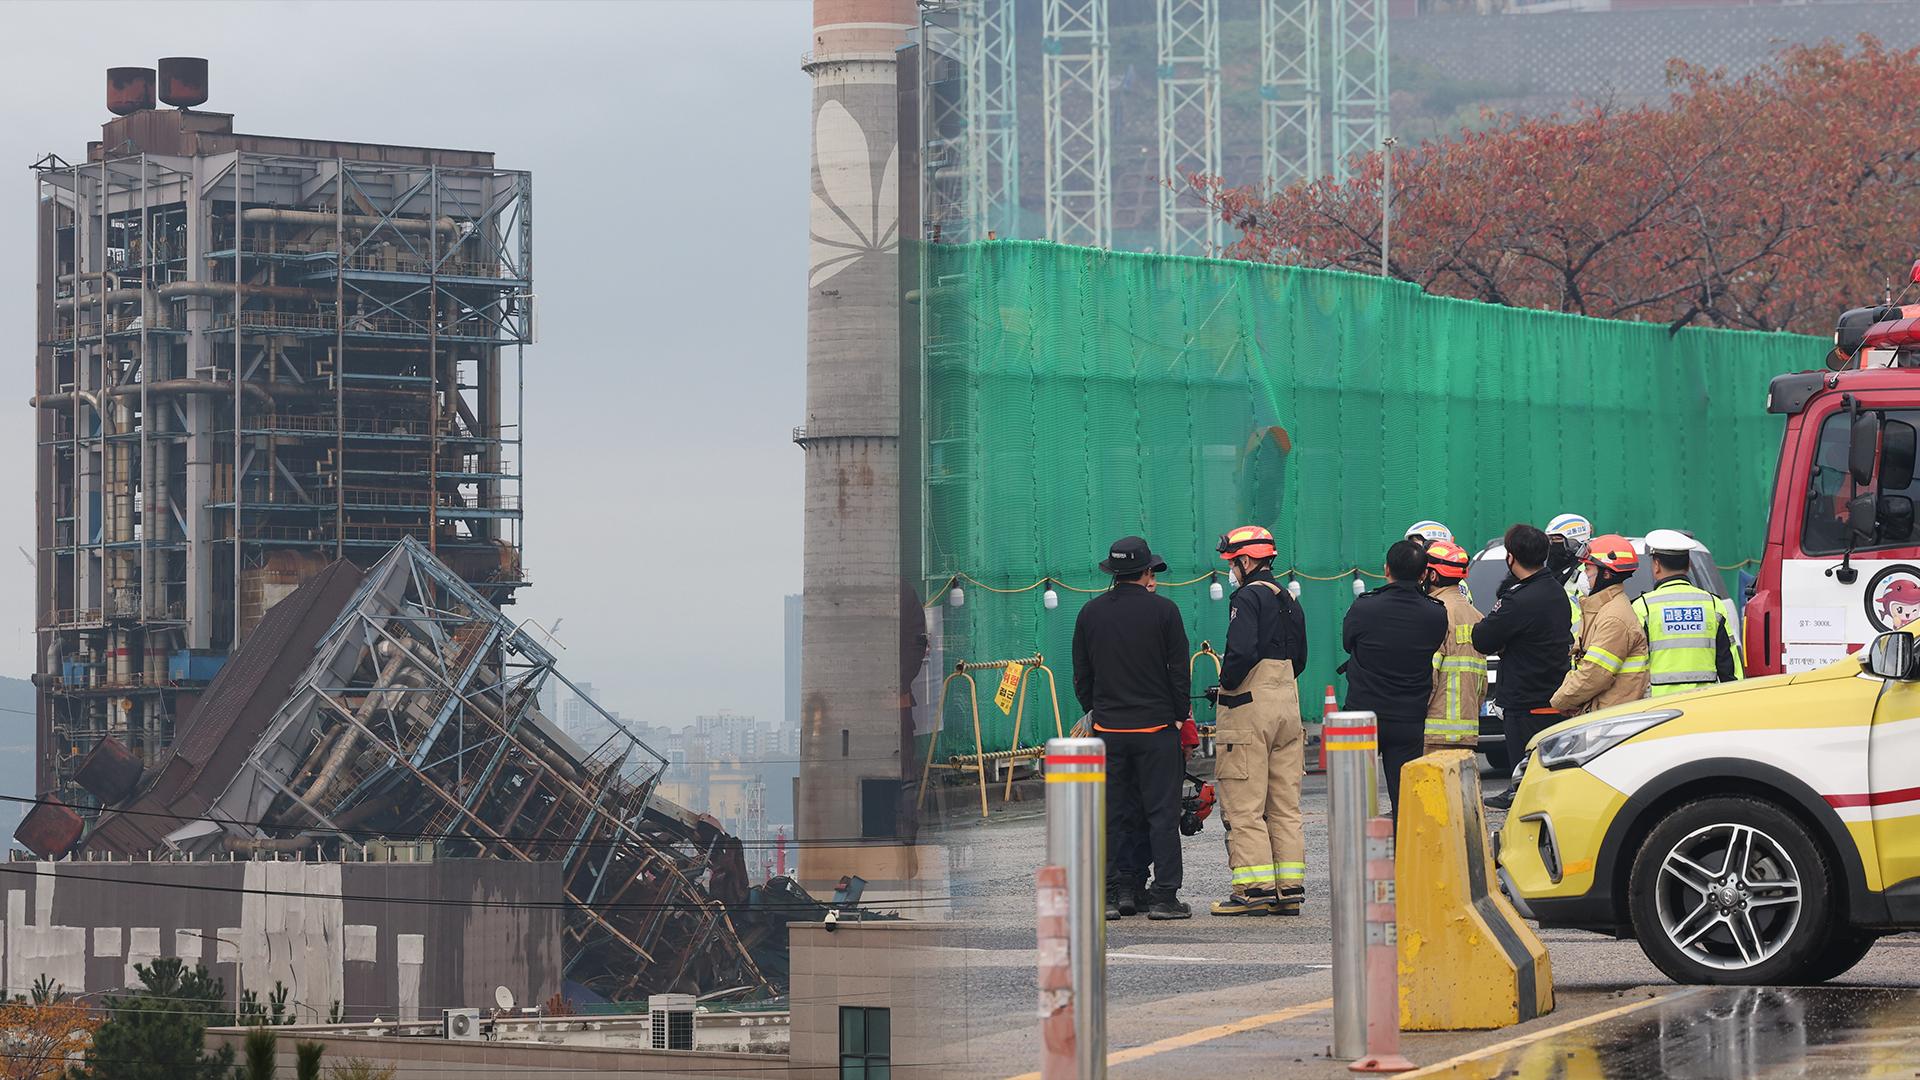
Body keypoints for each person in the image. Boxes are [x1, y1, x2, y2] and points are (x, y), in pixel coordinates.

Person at [1072, 535, 1193, 921]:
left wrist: (1097, 710)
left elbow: (1081, 674)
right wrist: (1177, 715)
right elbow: (1179, 671)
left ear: (1113, 572)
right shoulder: (1165, 611)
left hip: (1110, 731)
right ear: (1145, 572)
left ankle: (1109, 894)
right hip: (1157, 730)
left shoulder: (1090, 613)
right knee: (1162, 813)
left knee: (1110, 813)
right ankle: (1164, 896)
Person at [1208, 525, 1310, 916]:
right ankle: (1289, 889)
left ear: (1247, 561)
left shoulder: (1246, 597)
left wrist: (1226, 685)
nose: (1232, 570)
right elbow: (1300, 657)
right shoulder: (1288, 598)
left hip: (1250, 708)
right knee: (1284, 802)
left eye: (1234, 563)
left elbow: (1240, 651)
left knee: (1244, 802)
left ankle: (1253, 889)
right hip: (1288, 703)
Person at [1474, 524, 1577, 810]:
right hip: (1554, 695)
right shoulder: (1556, 591)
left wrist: (1505, 642)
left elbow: (1481, 638)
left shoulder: (1518, 599)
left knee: (1527, 780)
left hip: (1524, 701)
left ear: (1511, 557)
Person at [1341, 540, 1447, 816]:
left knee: (1355, 802)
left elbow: (1347, 643)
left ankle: (1360, 857)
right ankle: (1406, 856)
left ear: (1386, 569)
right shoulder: (1435, 613)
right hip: (1407, 717)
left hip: (1363, 716)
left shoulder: (1364, 608)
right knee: (1407, 801)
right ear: (1424, 574)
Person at [1552, 534, 1652, 717]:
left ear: (1606, 574)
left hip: (1613, 720)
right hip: (1604, 714)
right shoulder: (1601, 609)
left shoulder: (1614, 618)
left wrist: (1560, 701)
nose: (1584, 574)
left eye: (1589, 568)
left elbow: (1594, 674)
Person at [1633, 529, 1740, 696]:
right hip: (1704, 705)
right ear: (1689, 564)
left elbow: (1633, 667)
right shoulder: (1713, 605)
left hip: (1657, 708)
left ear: (1656, 565)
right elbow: (1730, 665)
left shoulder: (1643, 607)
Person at [1422, 539, 1486, 753]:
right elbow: (1482, 683)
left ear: (1432, 575)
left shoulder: (1435, 614)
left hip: (1434, 730)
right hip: (1468, 730)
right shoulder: (1477, 616)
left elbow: (1428, 675)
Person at [1546, 513, 1593, 643]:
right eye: (1549, 541)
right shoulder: (1555, 575)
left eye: (1556, 541)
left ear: (1574, 544)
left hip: (1582, 652)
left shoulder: (1588, 577)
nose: (1551, 546)